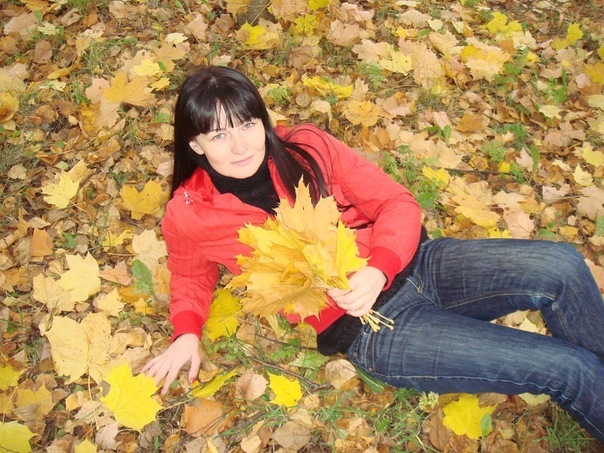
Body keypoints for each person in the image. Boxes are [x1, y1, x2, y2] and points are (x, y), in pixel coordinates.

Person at [142, 65, 604, 442]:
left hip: (420, 263)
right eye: (219, 135)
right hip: (373, 328)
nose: (241, 145)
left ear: (262, 120)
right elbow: (190, 274)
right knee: (565, 367)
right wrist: (187, 331)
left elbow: (396, 203)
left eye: (247, 125)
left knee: (562, 265)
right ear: (195, 143)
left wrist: (380, 268)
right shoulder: (190, 212)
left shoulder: (307, 147)